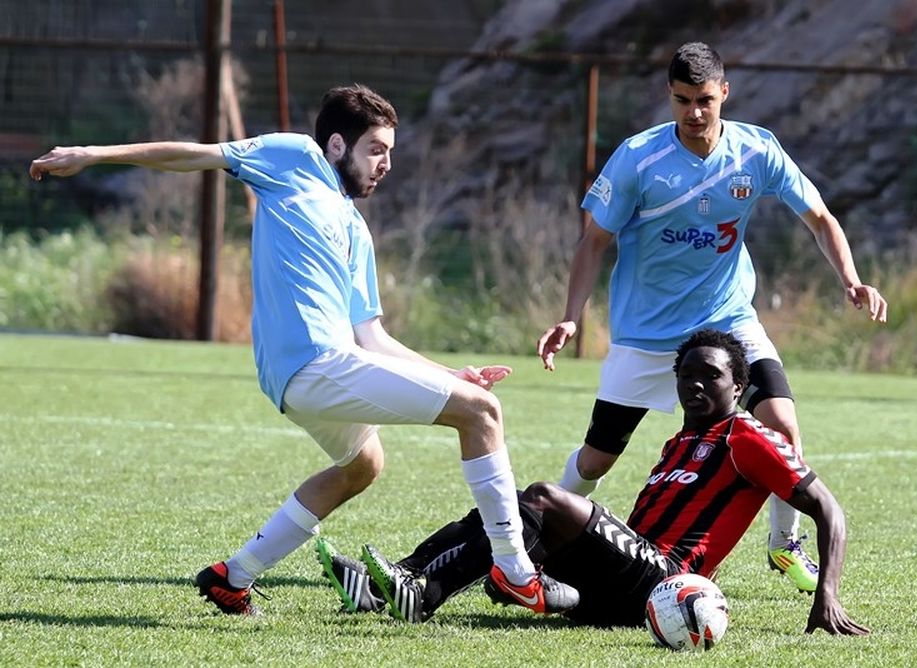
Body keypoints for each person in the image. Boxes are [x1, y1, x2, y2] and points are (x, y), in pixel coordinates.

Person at [29, 84, 578, 617]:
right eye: (376, 150)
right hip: (315, 365)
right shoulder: (293, 158)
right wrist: (92, 154)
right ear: (337, 145)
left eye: (390, 152)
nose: (386, 164)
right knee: (483, 416)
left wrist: (451, 374)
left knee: (363, 465)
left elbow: (374, 338)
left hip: (315, 374)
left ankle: (232, 577)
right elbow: (195, 155)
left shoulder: (356, 231)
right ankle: (515, 570)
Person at [535, 42, 888, 594]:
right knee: (599, 457)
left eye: (704, 99)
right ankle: (541, 536)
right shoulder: (638, 158)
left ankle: (784, 544)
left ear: (725, 92)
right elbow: (594, 240)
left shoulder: (756, 150)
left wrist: (851, 278)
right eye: (682, 101)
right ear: (669, 98)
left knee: (781, 426)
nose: (694, 113)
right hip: (648, 332)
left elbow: (819, 218)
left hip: (727, 320)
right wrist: (571, 316)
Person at [319, 329, 869, 636]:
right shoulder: (678, 442)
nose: (696, 384)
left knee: (540, 496)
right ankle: (397, 580)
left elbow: (828, 508)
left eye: (712, 376)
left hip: (666, 582)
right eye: (686, 375)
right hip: (621, 582)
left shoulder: (746, 438)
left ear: (740, 383)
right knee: (508, 505)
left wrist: (826, 595)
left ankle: (425, 593)